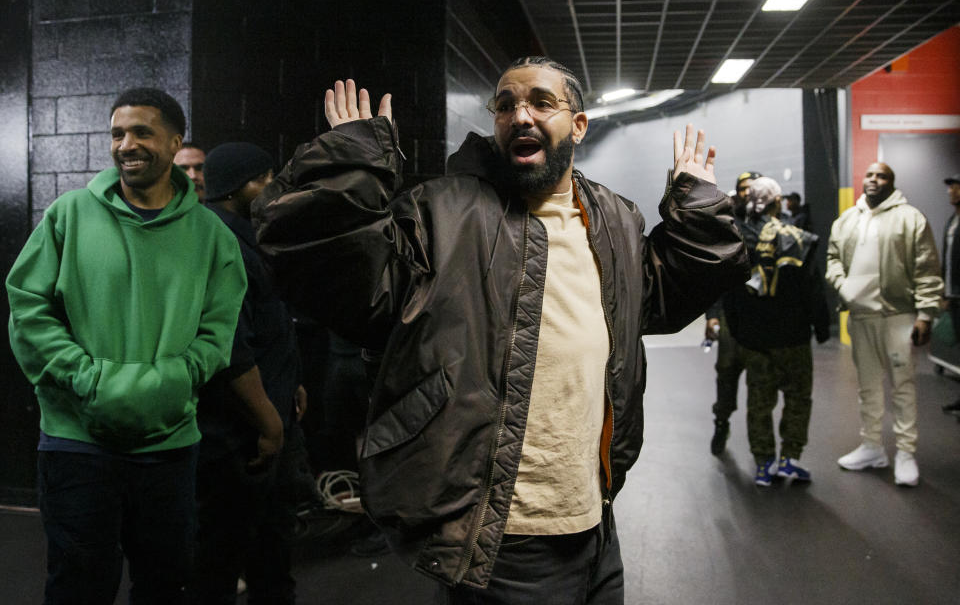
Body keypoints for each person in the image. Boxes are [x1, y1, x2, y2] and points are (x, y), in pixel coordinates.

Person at [251, 57, 749, 602]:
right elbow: (337, 271)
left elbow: (665, 293)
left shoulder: (613, 218)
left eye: (540, 101)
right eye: (506, 104)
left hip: (594, 520)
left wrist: (697, 209)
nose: (520, 115)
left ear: (578, 125)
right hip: (503, 537)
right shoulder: (442, 212)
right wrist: (346, 165)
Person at [5, 88, 247, 604]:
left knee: (164, 586)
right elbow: (28, 308)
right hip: (76, 444)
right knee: (77, 587)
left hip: (169, 448)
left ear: (175, 140)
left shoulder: (212, 236)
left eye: (142, 132)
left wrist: (174, 380)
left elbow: (218, 331)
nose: (126, 144)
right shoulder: (68, 214)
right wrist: (86, 379)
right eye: (117, 133)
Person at [191, 142, 310, 604]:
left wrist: (291, 382)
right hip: (240, 435)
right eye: (265, 178)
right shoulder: (221, 241)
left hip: (265, 419)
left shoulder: (243, 233)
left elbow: (267, 324)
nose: (272, 186)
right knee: (222, 560)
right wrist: (269, 422)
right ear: (241, 186)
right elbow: (232, 348)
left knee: (269, 552)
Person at [827, 161, 943, 487]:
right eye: (870, 175)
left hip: (898, 316)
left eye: (882, 176)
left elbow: (927, 270)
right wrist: (843, 285)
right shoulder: (847, 220)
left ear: (892, 182)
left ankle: (905, 452)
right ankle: (872, 446)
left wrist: (925, 314)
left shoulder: (911, 219)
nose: (874, 180)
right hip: (862, 318)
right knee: (867, 386)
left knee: (902, 386)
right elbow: (833, 258)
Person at [723, 177, 830, 485]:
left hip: (754, 339)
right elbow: (814, 290)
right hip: (793, 338)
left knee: (759, 400)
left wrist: (738, 328)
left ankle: (762, 464)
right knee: (797, 397)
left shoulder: (736, 239)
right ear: (777, 202)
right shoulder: (799, 239)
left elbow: (728, 293)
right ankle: (789, 459)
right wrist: (821, 328)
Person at [706, 170, 760, 456]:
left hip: (760, 318)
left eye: (754, 187)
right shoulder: (727, 225)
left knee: (760, 384)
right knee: (726, 374)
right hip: (730, 312)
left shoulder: (771, 225)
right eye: (744, 188)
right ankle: (721, 422)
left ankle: (759, 446)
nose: (749, 192)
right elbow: (715, 276)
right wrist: (711, 315)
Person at [940, 173, 960, 415]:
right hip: (953, 296)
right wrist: (944, 293)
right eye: (951, 188)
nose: (951, 191)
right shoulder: (951, 221)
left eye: (956, 188)